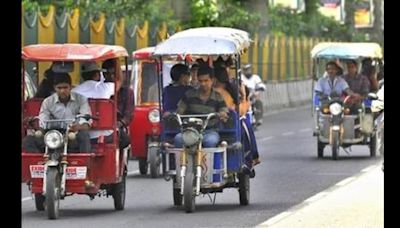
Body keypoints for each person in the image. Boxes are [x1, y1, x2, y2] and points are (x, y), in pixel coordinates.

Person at [22, 73, 92, 153]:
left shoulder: (81, 99)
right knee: (28, 141)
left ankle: (84, 163)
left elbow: (86, 122)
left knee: (84, 136)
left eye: (65, 87)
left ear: (70, 87)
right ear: (54, 88)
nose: (62, 91)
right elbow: (43, 121)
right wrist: (39, 129)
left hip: (72, 137)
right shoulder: (48, 102)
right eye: (59, 88)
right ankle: (40, 162)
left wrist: (77, 127)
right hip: (52, 137)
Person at [214, 66, 259, 177]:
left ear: (213, 79)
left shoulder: (226, 91)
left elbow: (238, 110)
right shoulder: (205, 92)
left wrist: (243, 97)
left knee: (244, 124)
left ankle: (249, 160)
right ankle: (251, 158)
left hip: (225, 126)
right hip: (214, 126)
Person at [174, 64, 229, 148]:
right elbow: (179, 111)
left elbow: (223, 110)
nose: (203, 84)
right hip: (190, 131)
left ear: (212, 80)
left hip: (210, 131)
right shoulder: (189, 95)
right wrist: (174, 115)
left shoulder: (218, 97)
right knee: (178, 139)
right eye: (200, 81)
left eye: (206, 80)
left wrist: (222, 114)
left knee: (211, 141)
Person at [72, 61, 119, 144]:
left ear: (82, 76)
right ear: (97, 75)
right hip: (104, 134)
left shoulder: (73, 92)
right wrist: (117, 61)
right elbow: (119, 81)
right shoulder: (105, 88)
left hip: (80, 134)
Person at [102, 59, 133, 150]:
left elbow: (128, 115)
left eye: (114, 74)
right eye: (108, 74)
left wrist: (118, 124)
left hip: (117, 126)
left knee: (123, 140)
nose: (111, 77)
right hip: (99, 126)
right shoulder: (99, 89)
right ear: (103, 74)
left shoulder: (128, 92)